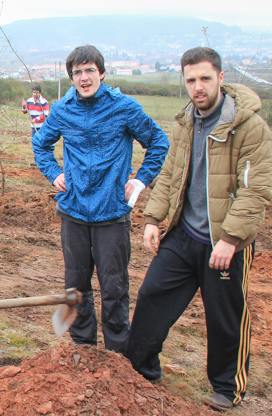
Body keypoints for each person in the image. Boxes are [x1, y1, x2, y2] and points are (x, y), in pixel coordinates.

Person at [125, 47, 272, 412]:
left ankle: (227, 387)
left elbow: (255, 190)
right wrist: (153, 220)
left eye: (205, 78)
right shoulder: (185, 122)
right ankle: (141, 368)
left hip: (224, 244)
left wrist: (230, 239)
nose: (198, 87)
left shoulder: (249, 126)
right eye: (191, 80)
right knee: (152, 297)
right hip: (183, 234)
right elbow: (171, 175)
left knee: (225, 317)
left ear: (221, 77)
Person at [33, 45, 169, 352]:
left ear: (102, 73)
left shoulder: (124, 108)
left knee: (114, 288)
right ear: (71, 78)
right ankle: (83, 350)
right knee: (76, 288)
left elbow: (158, 142)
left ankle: (117, 357)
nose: (84, 77)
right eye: (77, 72)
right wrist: (54, 172)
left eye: (90, 70)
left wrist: (139, 180)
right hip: (74, 212)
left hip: (112, 212)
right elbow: (41, 145)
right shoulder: (63, 110)